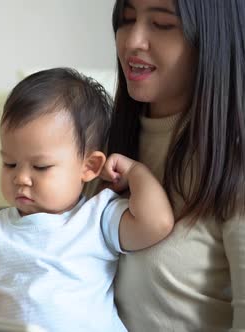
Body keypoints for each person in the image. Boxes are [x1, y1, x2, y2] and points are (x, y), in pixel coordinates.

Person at [0, 67, 174, 332]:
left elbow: (156, 223)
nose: (21, 178)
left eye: (40, 167)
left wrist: (135, 172)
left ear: (89, 166)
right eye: (9, 163)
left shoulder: (97, 217)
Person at [108, 0, 245, 330]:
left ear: (211, 40)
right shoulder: (97, 146)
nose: (132, 41)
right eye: (126, 20)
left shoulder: (232, 169)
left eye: (162, 24)